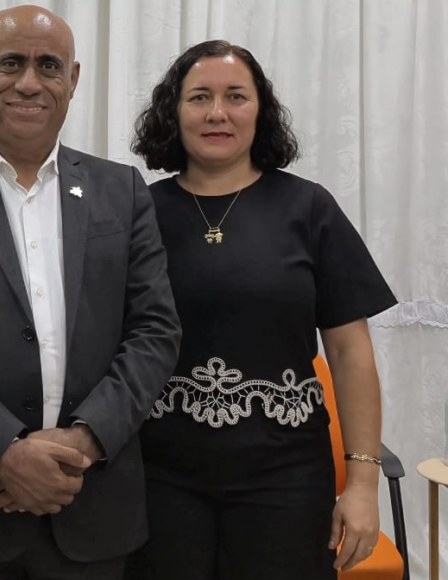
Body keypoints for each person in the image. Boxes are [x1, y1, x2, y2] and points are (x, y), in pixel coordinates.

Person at [0, 5, 181, 579]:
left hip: (93, 504)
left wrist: (82, 445)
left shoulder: (122, 190)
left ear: (72, 79)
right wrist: (6, 451)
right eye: (10, 63)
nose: (29, 82)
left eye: (49, 65)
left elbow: (155, 330)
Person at [125, 40, 396, 580]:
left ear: (260, 110)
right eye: (199, 96)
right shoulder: (137, 211)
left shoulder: (309, 208)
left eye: (235, 96)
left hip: (288, 477)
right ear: (173, 112)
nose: (217, 112)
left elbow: (349, 353)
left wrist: (363, 484)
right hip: (160, 475)